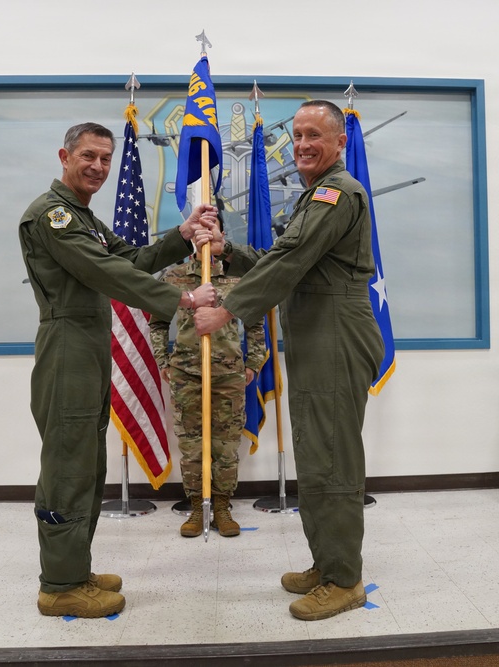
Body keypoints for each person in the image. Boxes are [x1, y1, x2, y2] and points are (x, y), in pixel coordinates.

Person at [19, 122, 221, 619]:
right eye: (88, 156)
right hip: (67, 347)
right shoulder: (53, 216)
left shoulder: (83, 217)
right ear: (64, 155)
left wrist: (183, 234)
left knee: (88, 464)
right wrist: (183, 298)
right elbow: (107, 272)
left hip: (87, 347)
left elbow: (130, 257)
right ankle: (60, 585)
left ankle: (74, 568)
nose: (98, 167)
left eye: (106, 159)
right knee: (68, 466)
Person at [194, 101, 384, 621]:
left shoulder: (336, 192)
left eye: (314, 136)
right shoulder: (313, 197)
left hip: (335, 336)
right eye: (297, 135)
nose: (301, 144)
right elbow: (287, 260)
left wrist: (228, 309)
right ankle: (327, 564)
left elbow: (290, 261)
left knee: (332, 458)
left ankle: (344, 579)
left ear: (340, 141)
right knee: (317, 454)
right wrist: (226, 249)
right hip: (317, 335)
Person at [149, 217, 266, 539]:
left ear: (221, 236)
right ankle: (197, 507)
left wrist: (253, 364)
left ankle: (223, 507)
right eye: (198, 231)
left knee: (226, 445)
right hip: (187, 374)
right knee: (191, 444)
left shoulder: (239, 276)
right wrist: (164, 362)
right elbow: (157, 323)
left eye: (211, 231)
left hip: (228, 375)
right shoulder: (174, 277)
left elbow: (256, 324)